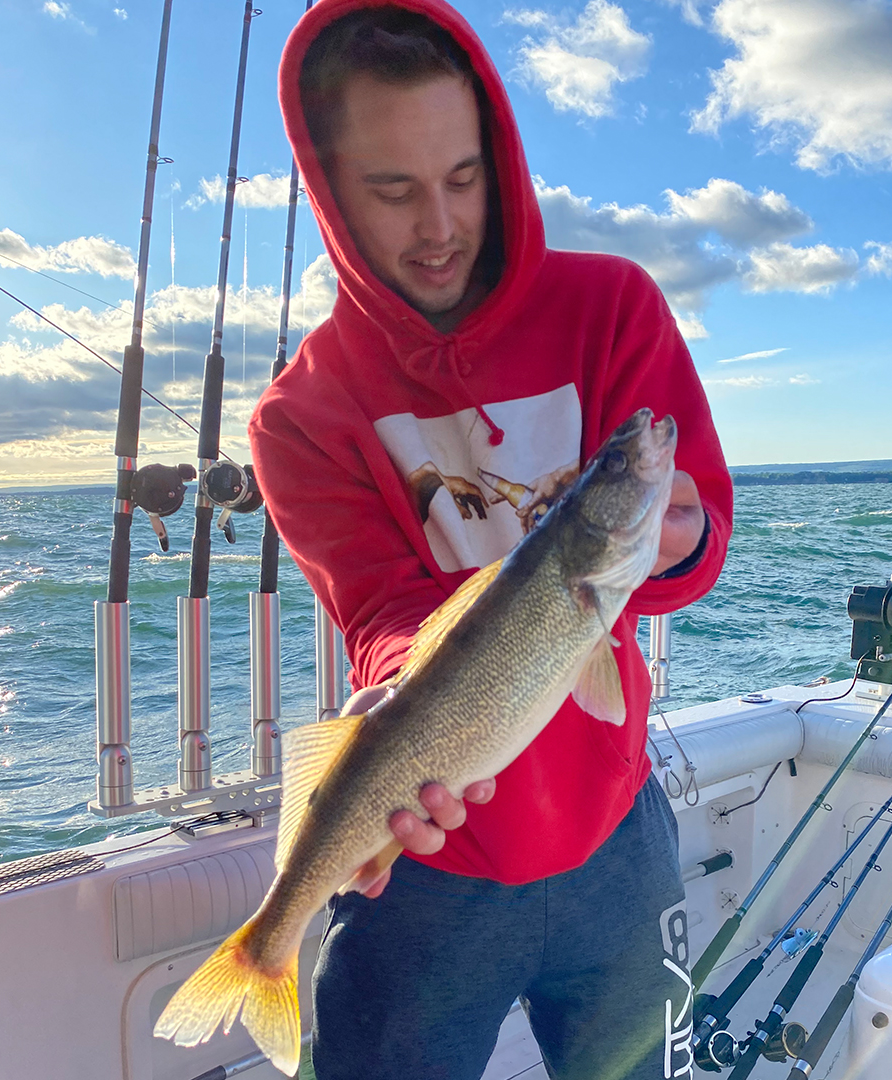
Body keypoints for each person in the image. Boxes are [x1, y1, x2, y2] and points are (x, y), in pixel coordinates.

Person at [248, 1, 733, 1076]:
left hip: (617, 835)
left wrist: (680, 538)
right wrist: (388, 700)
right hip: (430, 869)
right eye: (394, 191)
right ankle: (262, 956)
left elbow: (692, 548)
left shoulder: (613, 307)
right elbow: (381, 618)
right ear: (330, 190)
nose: (439, 226)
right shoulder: (299, 416)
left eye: (463, 178)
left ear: (498, 156)